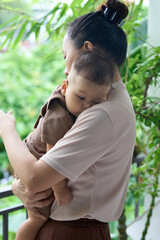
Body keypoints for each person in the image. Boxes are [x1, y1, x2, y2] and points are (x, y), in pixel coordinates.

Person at [0, 0, 136, 239]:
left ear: (87, 49)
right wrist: (17, 186)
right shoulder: (103, 99)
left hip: (71, 230)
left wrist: (6, 128)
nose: (65, 67)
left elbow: (34, 178)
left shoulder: (102, 112)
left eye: (66, 55)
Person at [1, 51, 114, 240]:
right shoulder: (59, 116)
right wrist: (60, 190)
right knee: (36, 219)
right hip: (34, 165)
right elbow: (52, 156)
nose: (87, 106)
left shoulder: (79, 111)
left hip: (36, 165)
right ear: (65, 86)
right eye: (81, 98)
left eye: (96, 102)